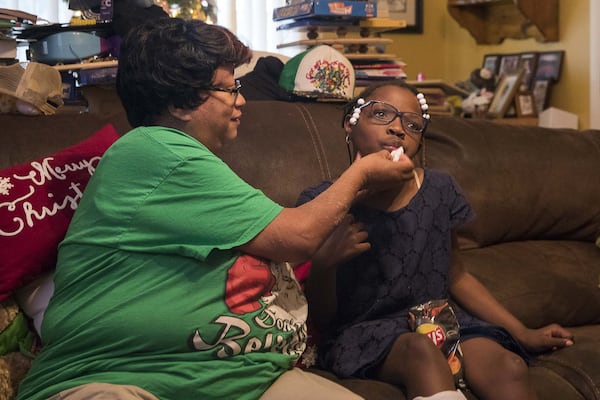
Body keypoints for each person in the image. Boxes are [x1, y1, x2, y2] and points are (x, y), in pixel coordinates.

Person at [15, 19, 417, 400]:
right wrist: (362, 173)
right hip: (123, 378)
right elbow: (298, 236)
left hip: (244, 380)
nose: (241, 100)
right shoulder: (154, 150)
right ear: (181, 102)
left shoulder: (193, 167)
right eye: (229, 88)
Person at [296, 80, 575, 400]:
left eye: (412, 124)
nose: (398, 129)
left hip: (439, 320)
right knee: (421, 352)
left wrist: (523, 332)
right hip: (363, 331)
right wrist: (324, 263)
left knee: (509, 366)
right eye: (383, 114)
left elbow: (456, 275)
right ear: (351, 123)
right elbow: (323, 317)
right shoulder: (321, 201)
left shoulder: (440, 190)